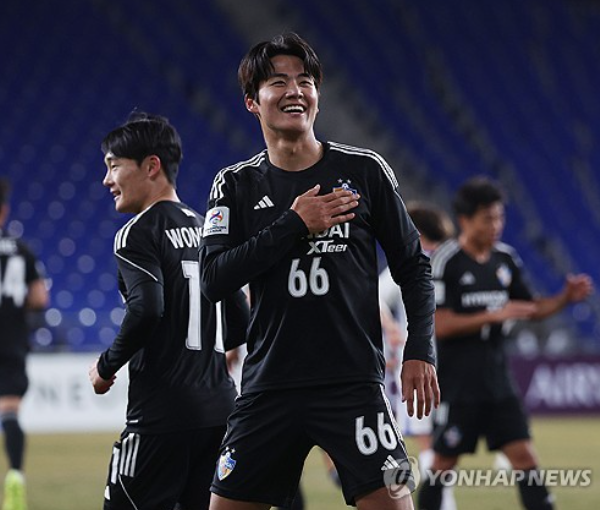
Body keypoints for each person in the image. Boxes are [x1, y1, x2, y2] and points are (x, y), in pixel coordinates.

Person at [199, 33, 440, 510]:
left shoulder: (365, 170)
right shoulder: (235, 184)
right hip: (269, 386)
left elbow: (413, 265)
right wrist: (293, 223)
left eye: (305, 81)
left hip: (352, 385)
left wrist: (420, 348)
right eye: (278, 82)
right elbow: (214, 279)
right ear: (252, 102)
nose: (295, 91)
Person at [88, 112, 249, 510]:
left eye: (113, 166)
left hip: (160, 418)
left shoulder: (136, 233)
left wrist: (106, 366)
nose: (107, 180)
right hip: (219, 413)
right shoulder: (208, 229)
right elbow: (241, 321)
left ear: (151, 166)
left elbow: (146, 309)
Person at [418, 176, 594, 510]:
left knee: (525, 457)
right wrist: (493, 314)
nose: (497, 225)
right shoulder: (446, 261)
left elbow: (530, 308)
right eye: (488, 218)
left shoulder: (506, 260)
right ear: (465, 220)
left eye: (500, 217)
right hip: (458, 386)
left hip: (499, 383)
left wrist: (563, 298)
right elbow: (438, 324)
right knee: (443, 464)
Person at [379, 202, 456, 510]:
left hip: (420, 365)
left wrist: (393, 330)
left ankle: (442, 502)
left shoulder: (408, 261)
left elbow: (374, 297)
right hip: (453, 362)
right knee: (445, 440)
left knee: (423, 440)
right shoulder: (452, 261)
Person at [0, 178, 49, 510]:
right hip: (11, 340)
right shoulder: (21, 250)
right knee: (10, 410)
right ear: (3, 211)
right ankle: (15, 474)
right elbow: (39, 297)